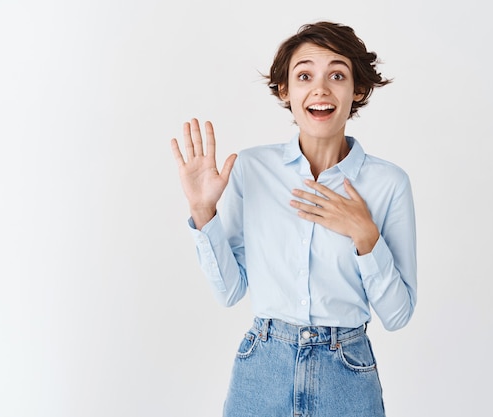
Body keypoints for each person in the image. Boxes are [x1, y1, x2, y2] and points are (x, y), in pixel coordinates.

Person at [171, 21, 417, 417]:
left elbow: (398, 313)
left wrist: (365, 235)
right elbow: (230, 292)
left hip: (347, 371)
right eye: (305, 75)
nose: (320, 89)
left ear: (358, 90)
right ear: (285, 90)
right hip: (262, 367)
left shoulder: (388, 183)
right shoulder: (252, 169)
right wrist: (204, 213)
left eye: (337, 75)